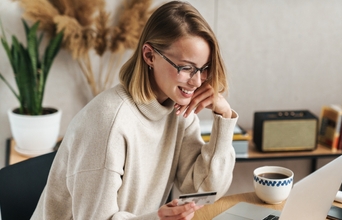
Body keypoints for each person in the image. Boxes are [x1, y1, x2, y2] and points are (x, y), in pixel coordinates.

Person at [31, 1, 238, 220]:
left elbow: (204, 192)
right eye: (186, 67)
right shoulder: (109, 121)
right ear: (149, 56)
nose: (197, 81)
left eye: (204, 68)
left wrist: (223, 118)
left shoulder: (178, 112)